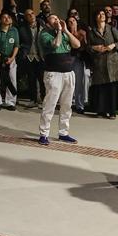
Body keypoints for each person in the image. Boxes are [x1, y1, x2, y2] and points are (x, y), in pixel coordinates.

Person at [36, 13, 81, 146]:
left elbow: (77, 44)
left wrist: (66, 30)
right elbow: (56, 44)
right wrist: (60, 31)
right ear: (47, 22)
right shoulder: (44, 34)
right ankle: (44, 134)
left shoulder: (64, 33)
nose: (56, 20)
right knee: (50, 104)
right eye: (53, 18)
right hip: (53, 73)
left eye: (57, 17)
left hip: (68, 73)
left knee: (67, 105)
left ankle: (63, 133)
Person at [83, 9, 118, 118]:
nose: (101, 15)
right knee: (101, 87)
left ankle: (112, 111)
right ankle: (101, 110)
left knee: (111, 87)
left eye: (103, 14)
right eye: (99, 14)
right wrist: (94, 47)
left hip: (112, 61)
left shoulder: (112, 29)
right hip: (99, 62)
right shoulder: (91, 32)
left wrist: (113, 45)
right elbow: (87, 47)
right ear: (95, 17)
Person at [0, 10, 19, 111]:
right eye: (4, 17)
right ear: (0, 20)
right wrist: (1, 59)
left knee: (12, 79)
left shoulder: (14, 31)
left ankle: (10, 102)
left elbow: (16, 45)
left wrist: (12, 58)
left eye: (9, 17)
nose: (7, 19)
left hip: (11, 59)